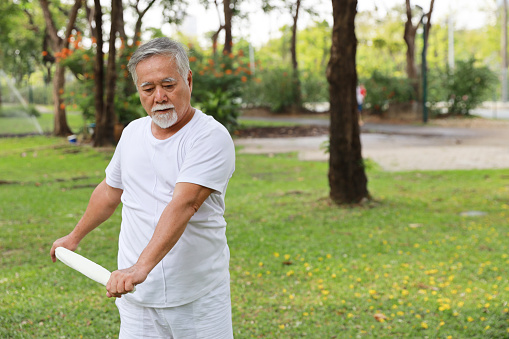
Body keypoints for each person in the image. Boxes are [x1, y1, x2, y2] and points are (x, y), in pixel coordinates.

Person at [50, 37, 236, 338]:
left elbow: (185, 204)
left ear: (188, 80)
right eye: (148, 89)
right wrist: (74, 237)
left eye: (168, 84)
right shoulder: (133, 132)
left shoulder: (209, 137)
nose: (159, 96)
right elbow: (111, 191)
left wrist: (140, 267)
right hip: (137, 298)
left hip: (197, 296)